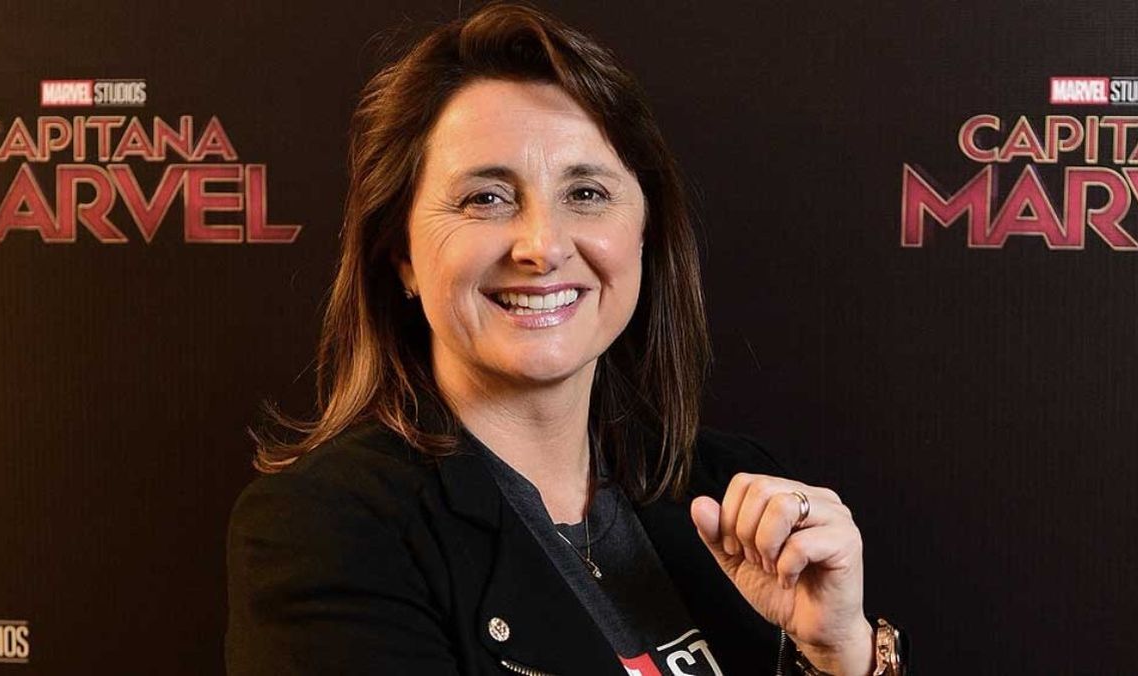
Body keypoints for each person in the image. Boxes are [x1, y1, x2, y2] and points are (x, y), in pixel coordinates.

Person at [225, 3, 907, 675]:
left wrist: (840, 656)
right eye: (486, 198)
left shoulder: (731, 491)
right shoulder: (328, 530)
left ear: (644, 233)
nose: (544, 246)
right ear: (401, 254)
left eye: (585, 194)